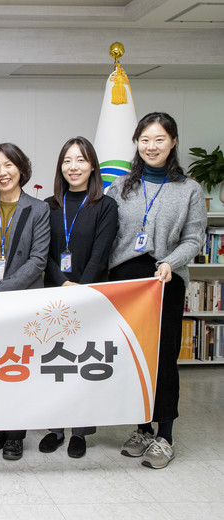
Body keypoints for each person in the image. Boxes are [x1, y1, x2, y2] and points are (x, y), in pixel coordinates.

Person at [108, 112, 206, 469]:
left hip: (165, 279)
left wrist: (170, 262)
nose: (151, 146)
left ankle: (165, 435)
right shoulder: (121, 187)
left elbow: (194, 238)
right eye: (145, 139)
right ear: (137, 142)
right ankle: (142, 428)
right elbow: (109, 234)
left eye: (159, 139)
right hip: (126, 282)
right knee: (134, 357)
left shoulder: (189, 189)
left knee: (163, 357)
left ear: (173, 142)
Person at [39, 136, 118, 458]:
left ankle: (80, 432)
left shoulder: (106, 206)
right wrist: (62, 283)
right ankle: (55, 428)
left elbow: (101, 253)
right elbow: (43, 253)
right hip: (54, 297)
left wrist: (81, 289)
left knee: (84, 363)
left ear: (93, 166)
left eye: (81, 160)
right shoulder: (49, 205)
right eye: (67, 160)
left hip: (91, 296)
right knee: (55, 361)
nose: (74, 167)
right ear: (60, 166)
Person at [0, 143, 50, 461]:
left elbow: (38, 260)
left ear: (21, 168)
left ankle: (15, 437)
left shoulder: (39, 209)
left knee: (18, 369)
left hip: (23, 302)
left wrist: (1, 291)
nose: (2, 172)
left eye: (8, 165)